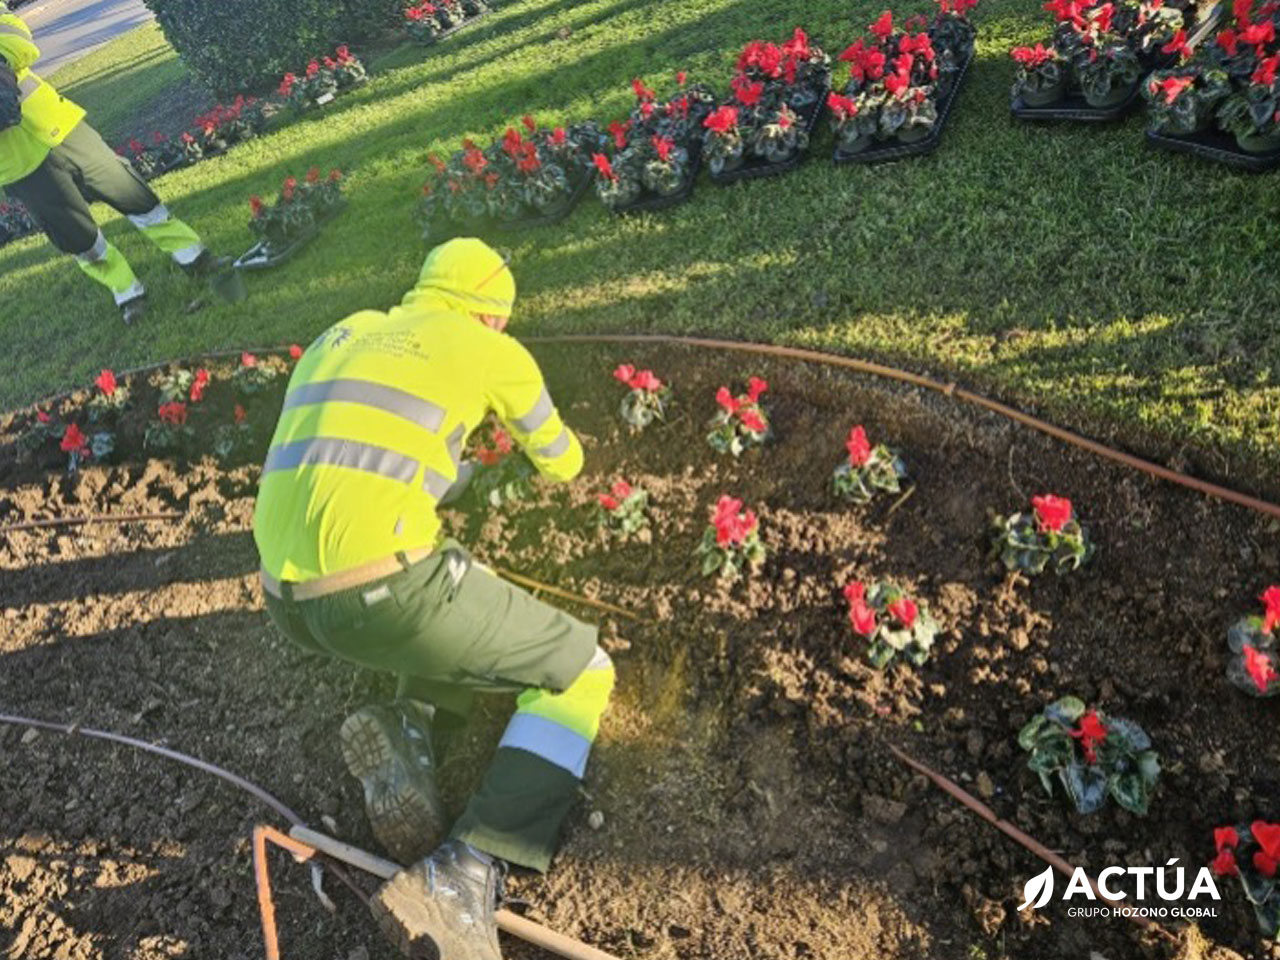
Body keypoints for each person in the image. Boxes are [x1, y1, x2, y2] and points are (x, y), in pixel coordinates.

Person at [252, 237, 615, 960]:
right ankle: (467, 872)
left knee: (451, 595)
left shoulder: (343, 332)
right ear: (492, 317)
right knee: (584, 670)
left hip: (283, 600)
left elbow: (369, 449)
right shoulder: (491, 353)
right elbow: (561, 459)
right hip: (384, 595)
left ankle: (409, 724)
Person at [0, 3, 226, 323]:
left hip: (60, 126)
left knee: (128, 190)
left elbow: (15, 34)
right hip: (17, 164)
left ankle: (193, 255)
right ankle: (126, 291)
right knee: (75, 235)